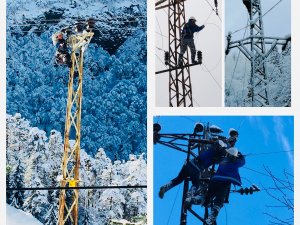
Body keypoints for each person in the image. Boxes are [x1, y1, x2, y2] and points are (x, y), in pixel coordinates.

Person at [159, 129, 239, 206]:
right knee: (196, 184)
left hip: (190, 163)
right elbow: (223, 157)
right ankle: (189, 197)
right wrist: (232, 156)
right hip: (197, 168)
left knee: (178, 179)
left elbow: (219, 146)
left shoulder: (213, 148)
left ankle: (165, 187)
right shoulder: (218, 154)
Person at [204, 147, 245, 225]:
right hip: (225, 183)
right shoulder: (236, 162)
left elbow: (215, 159)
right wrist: (241, 156)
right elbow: (243, 162)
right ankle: (212, 217)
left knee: (209, 195)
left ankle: (200, 199)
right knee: (219, 201)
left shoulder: (223, 160)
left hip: (215, 180)